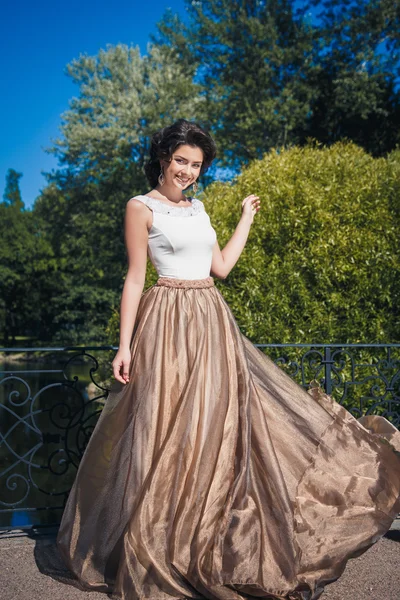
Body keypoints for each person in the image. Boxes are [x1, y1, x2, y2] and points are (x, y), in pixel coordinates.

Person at [57, 119, 400, 600]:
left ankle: (210, 538)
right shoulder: (140, 208)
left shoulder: (199, 209)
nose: (187, 172)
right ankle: (161, 540)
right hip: (168, 323)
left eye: (196, 165)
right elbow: (135, 278)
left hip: (212, 321)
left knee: (217, 431)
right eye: (181, 161)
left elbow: (220, 268)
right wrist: (124, 344)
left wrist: (245, 219)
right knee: (167, 432)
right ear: (163, 159)